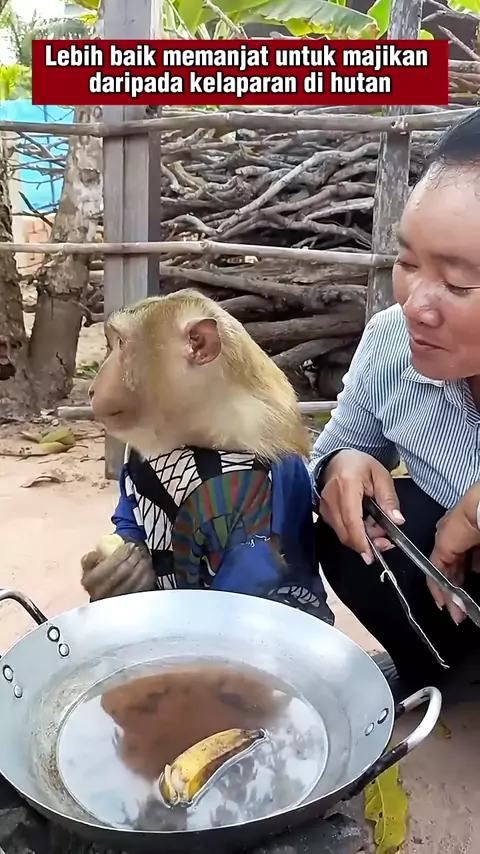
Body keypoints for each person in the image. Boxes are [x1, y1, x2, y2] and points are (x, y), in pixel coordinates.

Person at [309, 109, 480, 697]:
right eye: (407, 264)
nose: (415, 305)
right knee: (358, 529)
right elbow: (335, 447)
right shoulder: (392, 340)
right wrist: (343, 464)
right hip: (453, 581)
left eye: (457, 284)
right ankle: (447, 675)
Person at [81, 446, 334, 624]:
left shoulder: (268, 460)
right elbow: (133, 523)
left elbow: (242, 606)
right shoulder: (146, 445)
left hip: (267, 633)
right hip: (175, 631)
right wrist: (121, 571)